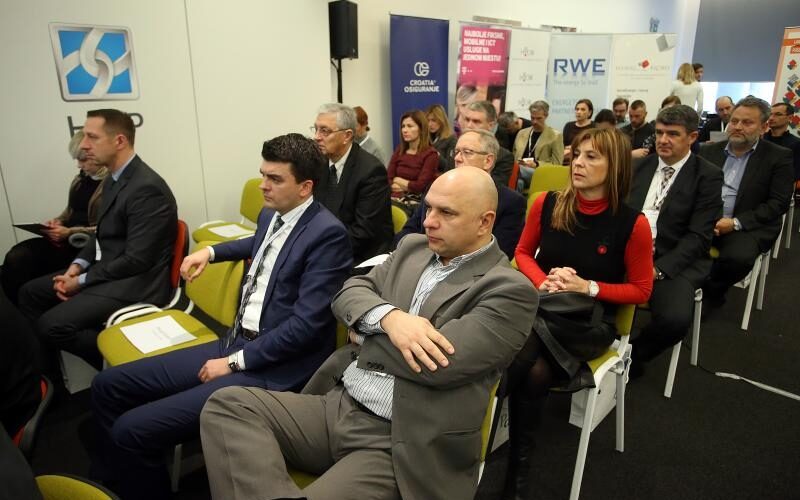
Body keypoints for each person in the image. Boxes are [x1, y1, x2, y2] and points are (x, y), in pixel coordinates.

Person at [199, 166, 538, 500]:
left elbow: (438, 364)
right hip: (337, 405)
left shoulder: (509, 290)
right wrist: (389, 318)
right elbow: (348, 291)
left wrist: (363, 330)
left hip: (400, 441)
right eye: (428, 208)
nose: (428, 221)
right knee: (227, 405)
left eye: (446, 213)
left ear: (484, 222)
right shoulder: (413, 248)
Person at [90, 133, 353, 500]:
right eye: (262, 175)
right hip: (236, 342)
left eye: (275, 179)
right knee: (107, 386)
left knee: (131, 431)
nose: (262, 186)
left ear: (305, 187)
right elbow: (260, 242)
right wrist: (211, 252)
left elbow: (304, 328)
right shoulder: (272, 214)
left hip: (275, 367)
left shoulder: (328, 235)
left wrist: (232, 363)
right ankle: (111, 482)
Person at [506, 128, 653, 498]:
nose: (578, 163)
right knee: (535, 372)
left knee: (521, 339)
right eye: (577, 154)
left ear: (614, 166)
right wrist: (544, 282)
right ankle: (516, 477)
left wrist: (586, 287)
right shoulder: (546, 203)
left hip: (589, 323)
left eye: (592, 157)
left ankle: (476, 409)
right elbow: (522, 253)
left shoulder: (632, 224)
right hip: (544, 306)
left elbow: (642, 290)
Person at [18, 109, 177, 370]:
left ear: (119, 141)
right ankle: (50, 378)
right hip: (110, 271)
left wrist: (80, 281)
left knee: (51, 326)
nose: (83, 144)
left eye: (92, 137)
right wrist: (76, 266)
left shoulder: (147, 188)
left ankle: (128, 371)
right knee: (29, 293)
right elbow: (101, 233)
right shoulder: (114, 179)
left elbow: (136, 260)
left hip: (136, 283)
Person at [628, 105, 723, 374]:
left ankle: (634, 355)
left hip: (673, 259)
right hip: (628, 251)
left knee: (674, 320)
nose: (663, 140)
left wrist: (658, 269)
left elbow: (699, 237)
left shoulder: (707, 175)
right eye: (659, 132)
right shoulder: (639, 166)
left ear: (692, 137)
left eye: (672, 134)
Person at [698, 97, 794, 308]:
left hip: (748, 224)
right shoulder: (709, 151)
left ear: (764, 127)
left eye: (747, 122)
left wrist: (734, 223)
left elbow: (778, 203)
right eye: (734, 121)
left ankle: (711, 293)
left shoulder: (779, 157)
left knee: (737, 259)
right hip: (707, 219)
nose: (738, 127)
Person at [2, 131, 108, 305]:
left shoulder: (113, 185)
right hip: (65, 240)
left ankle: (34, 304)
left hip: (88, 247)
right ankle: (22, 308)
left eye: (83, 160)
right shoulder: (80, 179)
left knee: (27, 267)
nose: (79, 165)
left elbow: (108, 227)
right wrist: (57, 222)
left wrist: (69, 232)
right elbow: (70, 211)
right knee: (16, 257)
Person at [394, 129, 526, 259]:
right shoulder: (437, 189)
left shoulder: (511, 202)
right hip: (421, 261)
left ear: (488, 161)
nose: (457, 158)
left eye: (467, 152)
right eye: (456, 152)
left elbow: (499, 254)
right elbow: (408, 231)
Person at [312, 103, 393, 264]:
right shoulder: (319, 163)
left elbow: (363, 232)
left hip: (360, 255)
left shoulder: (371, 171)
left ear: (347, 136)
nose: (316, 137)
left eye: (325, 131)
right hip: (328, 246)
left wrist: (318, 248)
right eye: (316, 129)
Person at [457, 100, 515, 186]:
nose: (469, 125)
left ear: (491, 125)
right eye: (467, 120)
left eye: (476, 121)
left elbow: (494, 188)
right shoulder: (456, 149)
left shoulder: (503, 156)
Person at [512, 100, 565, 190]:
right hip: (522, 173)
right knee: (519, 183)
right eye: (532, 118)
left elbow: (557, 164)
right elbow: (514, 155)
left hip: (540, 172)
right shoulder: (521, 133)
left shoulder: (555, 136)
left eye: (539, 118)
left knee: (512, 170)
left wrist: (536, 164)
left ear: (546, 116)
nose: (534, 122)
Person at [387, 109, 439, 199]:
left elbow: (420, 186)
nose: (404, 130)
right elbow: (388, 178)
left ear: (421, 129)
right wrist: (402, 185)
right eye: (403, 126)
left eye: (410, 126)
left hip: (416, 201)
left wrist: (397, 180)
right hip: (393, 198)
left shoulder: (431, 154)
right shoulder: (400, 150)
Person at [764, 102, 800, 184]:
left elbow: (796, 173)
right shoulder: (760, 138)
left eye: (778, 114)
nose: (771, 118)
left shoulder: (796, 143)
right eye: (770, 114)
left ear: (790, 117)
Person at [562, 98, 594, 164]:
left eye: (583, 109)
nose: (579, 112)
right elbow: (563, 145)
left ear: (589, 112)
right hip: (567, 159)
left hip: (586, 159)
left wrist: (572, 148)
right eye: (577, 109)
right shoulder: (568, 125)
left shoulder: (594, 126)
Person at [426, 103, 457, 172]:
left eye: (433, 120)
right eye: (428, 121)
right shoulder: (426, 139)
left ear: (441, 120)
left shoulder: (451, 140)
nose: (430, 124)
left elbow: (450, 168)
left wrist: (436, 154)